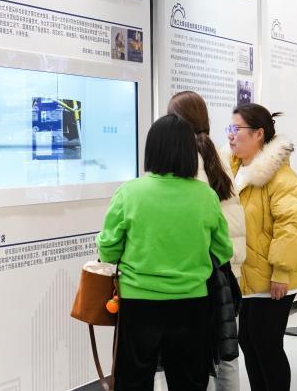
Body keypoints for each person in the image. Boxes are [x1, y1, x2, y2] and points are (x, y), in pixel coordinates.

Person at [96, 114, 233, 391]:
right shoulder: (205, 195)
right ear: (189, 152)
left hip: (138, 303)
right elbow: (223, 249)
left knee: (133, 381)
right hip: (192, 302)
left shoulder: (129, 193)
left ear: (152, 150)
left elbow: (108, 250)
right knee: (189, 382)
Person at [225, 103, 297, 391]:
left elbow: (294, 227)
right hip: (251, 273)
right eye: (229, 128)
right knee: (249, 340)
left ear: (259, 134)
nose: (230, 135)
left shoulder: (280, 177)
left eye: (236, 128)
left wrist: (281, 271)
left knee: (266, 344)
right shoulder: (237, 169)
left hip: (274, 275)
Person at [167, 91, 247, 391]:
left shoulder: (188, 165)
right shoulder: (218, 157)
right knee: (225, 351)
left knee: (199, 355)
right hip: (227, 271)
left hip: (205, 273)